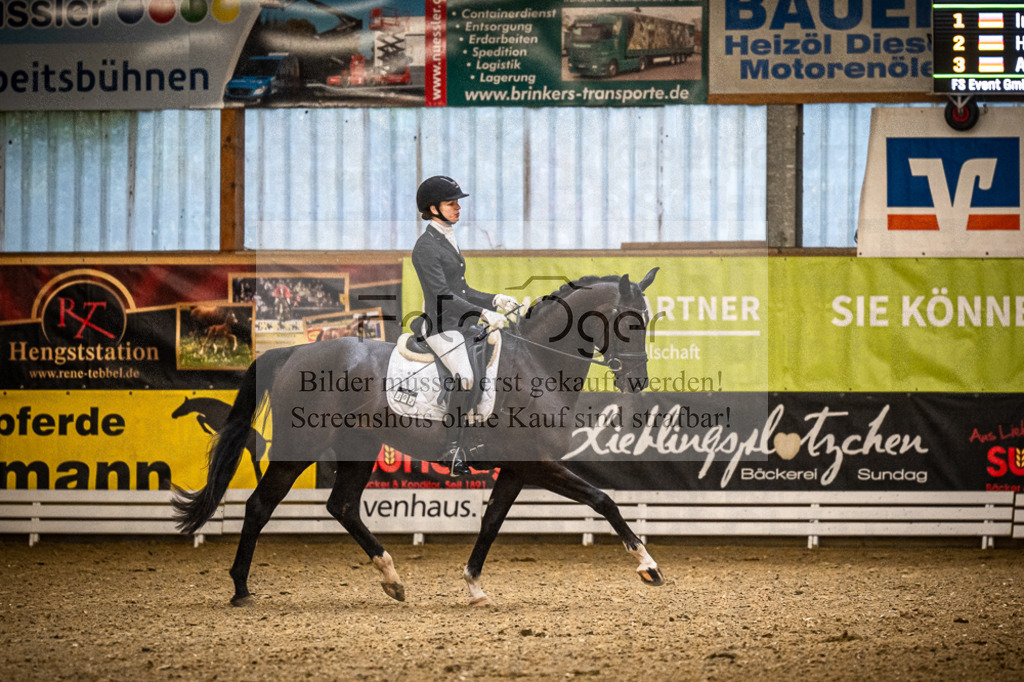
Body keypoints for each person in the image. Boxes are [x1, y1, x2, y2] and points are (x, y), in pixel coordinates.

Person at [411, 175, 519, 476]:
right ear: (433, 208)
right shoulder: (425, 247)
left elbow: (462, 290)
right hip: (439, 325)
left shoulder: (446, 238)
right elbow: (442, 295)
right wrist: (483, 314)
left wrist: (495, 299)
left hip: (459, 323)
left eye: (457, 202)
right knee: (465, 375)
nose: (458, 208)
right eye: (451, 203)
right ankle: (452, 448)